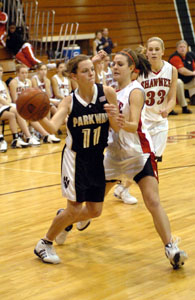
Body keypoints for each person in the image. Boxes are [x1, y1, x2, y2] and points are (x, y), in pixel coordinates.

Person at [103, 48, 187, 269]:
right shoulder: (112, 90)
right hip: (114, 155)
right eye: (113, 63)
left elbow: (132, 124)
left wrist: (117, 120)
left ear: (132, 69)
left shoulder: (135, 90)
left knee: (152, 200)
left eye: (120, 64)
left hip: (138, 153)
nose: (114, 67)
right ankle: (68, 222)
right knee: (93, 204)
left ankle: (171, 247)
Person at [34, 53, 119, 264]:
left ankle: (64, 218)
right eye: (85, 71)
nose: (91, 74)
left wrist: (113, 116)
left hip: (97, 158)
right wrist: (38, 115)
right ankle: (44, 243)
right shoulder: (69, 101)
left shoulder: (107, 93)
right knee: (74, 208)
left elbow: (116, 128)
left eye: (92, 69)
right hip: (75, 160)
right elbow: (53, 128)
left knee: (94, 211)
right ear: (74, 76)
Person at [137, 37, 178, 162]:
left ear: (162, 52)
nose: (153, 52)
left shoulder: (171, 70)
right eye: (150, 49)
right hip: (142, 122)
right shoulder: (139, 71)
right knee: (141, 160)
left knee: (154, 159)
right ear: (147, 52)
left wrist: (168, 109)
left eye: (156, 49)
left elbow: (172, 98)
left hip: (160, 122)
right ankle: (124, 182)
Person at [9, 64, 60, 144]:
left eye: (26, 73)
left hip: (27, 104)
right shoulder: (13, 82)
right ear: (17, 73)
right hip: (17, 104)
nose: (24, 75)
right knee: (30, 112)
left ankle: (45, 133)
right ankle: (36, 135)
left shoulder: (29, 82)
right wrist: (25, 102)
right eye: (22, 73)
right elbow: (14, 99)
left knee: (41, 108)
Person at [0, 64, 36, 149]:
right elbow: (1, 99)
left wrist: (8, 103)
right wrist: (7, 103)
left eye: (1, 71)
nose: (0, 73)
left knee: (13, 114)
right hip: (2, 106)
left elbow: (8, 97)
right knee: (18, 110)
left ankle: (16, 139)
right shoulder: (13, 83)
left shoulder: (3, 83)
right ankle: (28, 136)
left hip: (5, 105)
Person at [169, 40, 195, 107]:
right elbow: (181, 70)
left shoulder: (190, 55)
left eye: (184, 47)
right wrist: (193, 73)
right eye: (180, 47)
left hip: (188, 81)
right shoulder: (175, 57)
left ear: (187, 48)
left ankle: (193, 97)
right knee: (179, 82)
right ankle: (184, 106)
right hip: (176, 82)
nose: (182, 48)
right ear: (177, 49)